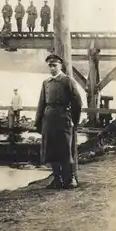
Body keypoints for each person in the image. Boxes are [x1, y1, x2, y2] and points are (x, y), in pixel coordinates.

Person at [34, 54, 83, 189]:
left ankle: (70, 178)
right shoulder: (46, 83)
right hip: (49, 120)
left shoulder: (68, 81)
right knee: (51, 149)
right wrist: (38, 122)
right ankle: (57, 178)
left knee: (66, 149)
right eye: (50, 65)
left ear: (61, 66)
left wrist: (74, 121)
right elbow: (41, 104)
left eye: (55, 65)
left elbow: (77, 103)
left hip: (64, 119)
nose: (52, 68)